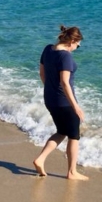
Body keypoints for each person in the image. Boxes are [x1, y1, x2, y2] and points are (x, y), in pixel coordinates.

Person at [33, 25, 89, 180]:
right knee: (74, 136)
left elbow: (42, 73)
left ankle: (41, 159)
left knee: (61, 132)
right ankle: (72, 172)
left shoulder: (48, 49)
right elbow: (65, 83)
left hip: (50, 99)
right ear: (72, 40)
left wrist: (51, 90)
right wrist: (76, 107)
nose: (77, 47)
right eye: (78, 44)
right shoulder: (65, 56)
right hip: (65, 102)